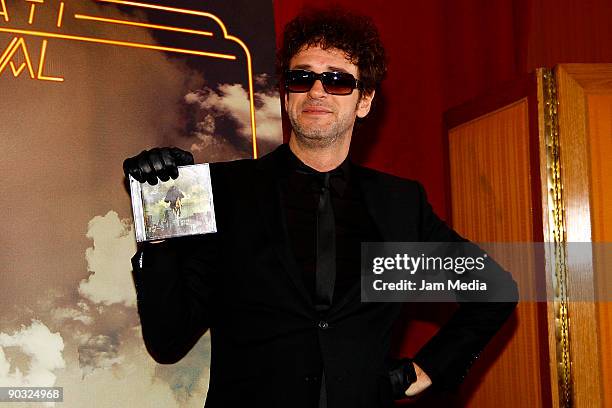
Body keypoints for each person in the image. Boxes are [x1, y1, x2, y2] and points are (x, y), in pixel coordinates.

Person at [123, 7, 518, 408]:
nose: (317, 90)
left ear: (364, 100)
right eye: (302, 77)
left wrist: (419, 373)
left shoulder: (398, 205)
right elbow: (168, 339)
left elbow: (494, 290)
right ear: (287, 93)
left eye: (337, 80)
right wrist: (157, 218)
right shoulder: (219, 191)